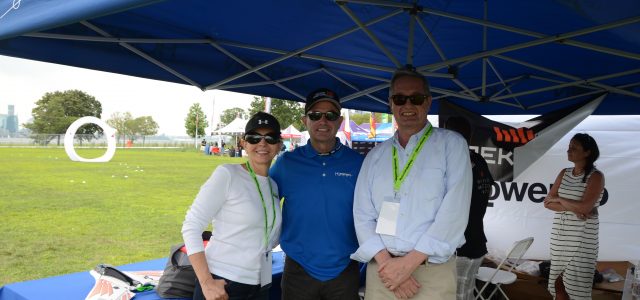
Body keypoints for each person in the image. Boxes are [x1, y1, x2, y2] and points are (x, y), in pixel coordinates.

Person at [351, 67, 472, 300]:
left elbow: (453, 213)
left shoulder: (451, 145)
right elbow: (362, 215)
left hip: (430, 272)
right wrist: (389, 264)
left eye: (415, 98)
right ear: (391, 103)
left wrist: (407, 265)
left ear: (428, 102)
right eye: (399, 98)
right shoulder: (376, 155)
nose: (407, 106)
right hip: (383, 270)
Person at [269, 88, 364, 300]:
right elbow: (262, 202)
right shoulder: (287, 163)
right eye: (315, 115)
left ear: (339, 121)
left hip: (345, 268)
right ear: (305, 120)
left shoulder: (358, 163)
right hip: (298, 268)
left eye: (330, 115)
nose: (323, 121)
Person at [182, 111, 284, 300]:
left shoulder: (273, 185)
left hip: (259, 284)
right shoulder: (228, 174)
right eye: (254, 138)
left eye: (270, 138)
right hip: (222, 285)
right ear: (244, 143)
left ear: (278, 145)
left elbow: (267, 235)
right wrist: (206, 282)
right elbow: (191, 226)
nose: (262, 143)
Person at [544, 133, 604, 300]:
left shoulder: (596, 176)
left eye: (574, 148)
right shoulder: (564, 172)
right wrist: (575, 208)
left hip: (582, 239)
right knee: (558, 285)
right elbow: (547, 203)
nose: (568, 150)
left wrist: (559, 199)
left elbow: (585, 207)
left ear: (587, 152)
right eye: (569, 147)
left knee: (577, 289)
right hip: (560, 237)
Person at [444, 116, 494, 300]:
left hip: (459, 246)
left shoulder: (453, 163)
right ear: (470, 136)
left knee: (454, 295)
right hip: (477, 241)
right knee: (466, 293)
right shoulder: (478, 160)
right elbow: (487, 191)